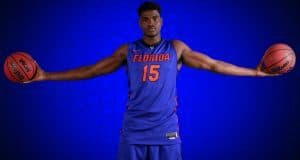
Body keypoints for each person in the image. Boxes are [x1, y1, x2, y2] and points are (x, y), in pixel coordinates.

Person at [29, 1, 273, 160]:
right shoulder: (128, 51)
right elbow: (92, 70)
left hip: (165, 130)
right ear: (139, 23)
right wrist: (46, 75)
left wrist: (254, 71)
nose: (151, 22)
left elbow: (214, 64)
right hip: (134, 130)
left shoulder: (176, 49)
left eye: (155, 18)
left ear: (161, 20)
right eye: (146, 19)